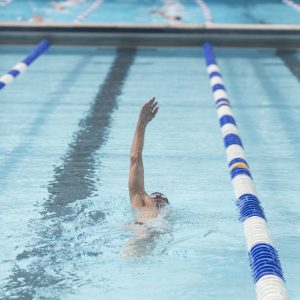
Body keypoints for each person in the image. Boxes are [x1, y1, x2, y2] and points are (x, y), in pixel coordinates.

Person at [128, 98, 170, 225]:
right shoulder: (143, 204)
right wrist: (141, 124)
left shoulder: (168, 222)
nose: (158, 197)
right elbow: (135, 157)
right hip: (140, 238)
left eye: (162, 198)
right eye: (154, 196)